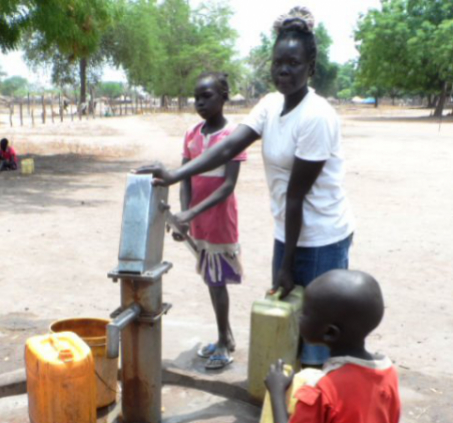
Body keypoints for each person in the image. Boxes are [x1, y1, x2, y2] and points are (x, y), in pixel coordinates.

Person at [140, 7, 355, 366]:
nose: (283, 71)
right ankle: (292, 395)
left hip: (322, 238)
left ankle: (315, 395)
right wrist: (176, 175)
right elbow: (227, 147)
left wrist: (286, 265)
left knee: (317, 338)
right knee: (287, 326)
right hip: (288, 232)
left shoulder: (317, 116)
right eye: (278, 63)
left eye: (294, 63)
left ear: (311, 67)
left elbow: (297, 197)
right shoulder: (270, 105)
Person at [235, 269, 399, 423]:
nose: (299, 316)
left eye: (305, 313)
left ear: (329, 332)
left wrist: (277, 392)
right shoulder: (387, 373)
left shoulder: (322, 390)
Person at [174, 72, 247, 370]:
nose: (200, 103)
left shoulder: (233, 136)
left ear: (224, 96)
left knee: (217, 282)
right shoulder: (192, 134)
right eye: (197, 97)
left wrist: (190, 213)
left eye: (207, 96)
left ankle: (223, 342)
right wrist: (185, 215)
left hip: (219, 219)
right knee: (210, 278)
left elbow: (228, 185)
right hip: (198, 220)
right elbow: (184, 178)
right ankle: (225, 336)